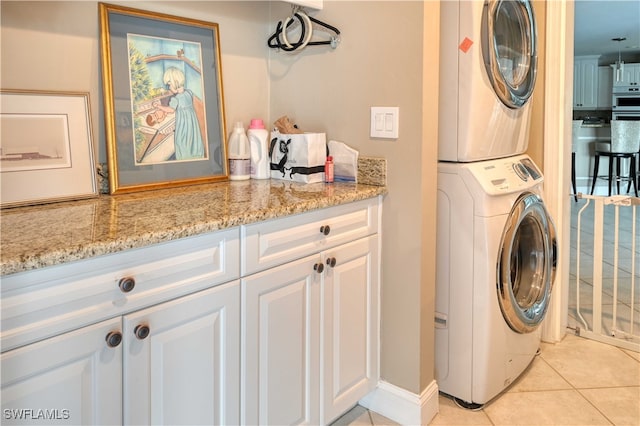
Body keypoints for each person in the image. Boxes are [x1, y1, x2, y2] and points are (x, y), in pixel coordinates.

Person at [155, 67, 205, 160]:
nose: (169, 88)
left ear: (174, 84)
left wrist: (159, 106)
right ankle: (195, 156)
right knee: (193, 140)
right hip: (192, 124)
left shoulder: (176, 99)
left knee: (182, 141)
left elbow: (170, 110)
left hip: (183, 125)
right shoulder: (189, 93)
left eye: (169, 85)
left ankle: (184, 158)